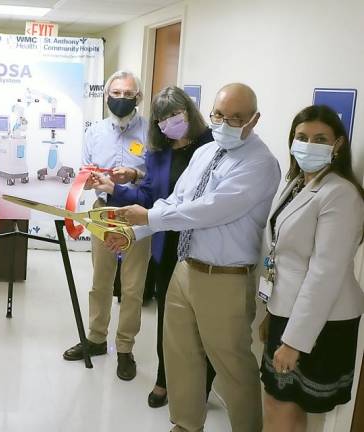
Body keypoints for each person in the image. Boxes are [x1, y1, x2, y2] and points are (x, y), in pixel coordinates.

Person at [110, 83, 281, 432]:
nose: (224, 123)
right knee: (180, 356)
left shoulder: (259, 163)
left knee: (233, 369)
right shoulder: (206, 152)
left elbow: (209, 210)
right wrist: (133, 232)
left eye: (236, 118)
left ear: (254, 120)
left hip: (225, 279)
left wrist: (148, 218)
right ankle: (186, 424)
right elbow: (176, 200)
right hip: (185, 269)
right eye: (219, 115)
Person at [90, 85, 217, 406]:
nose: (169, 123)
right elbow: (149, 198)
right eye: (162, 119)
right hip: (166, 245)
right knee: (168, 318)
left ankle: (200, 386)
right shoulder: (159, 153)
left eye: (175, 114)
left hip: (202, 246)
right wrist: (114, 190)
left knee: (200, 324)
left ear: (189, 112)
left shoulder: (211, 147)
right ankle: (164, 379)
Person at [258, 105, 364, 432]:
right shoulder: (297, 183)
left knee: (282, 402)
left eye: (320, 139)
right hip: (287, 309)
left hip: (320, 322)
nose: (308, 144)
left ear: (338, 145)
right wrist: (270, 313)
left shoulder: (341, 194)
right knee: (280, 402)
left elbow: (325, 275)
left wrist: (294, 342)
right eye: (301, 137)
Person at [61, 70, 151, 381]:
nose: (122, 99)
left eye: (129, 94)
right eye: (116, 93)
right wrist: (88, 182)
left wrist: (135, 176)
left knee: (132, 286)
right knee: (100, 281)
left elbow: (157, 179)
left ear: (138, 98)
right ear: (106, 95)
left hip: (137, 215)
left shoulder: (152, 133)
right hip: (104, 214)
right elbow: (85, 173)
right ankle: (96, 339)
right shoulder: (94, 133)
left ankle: (125, 348)